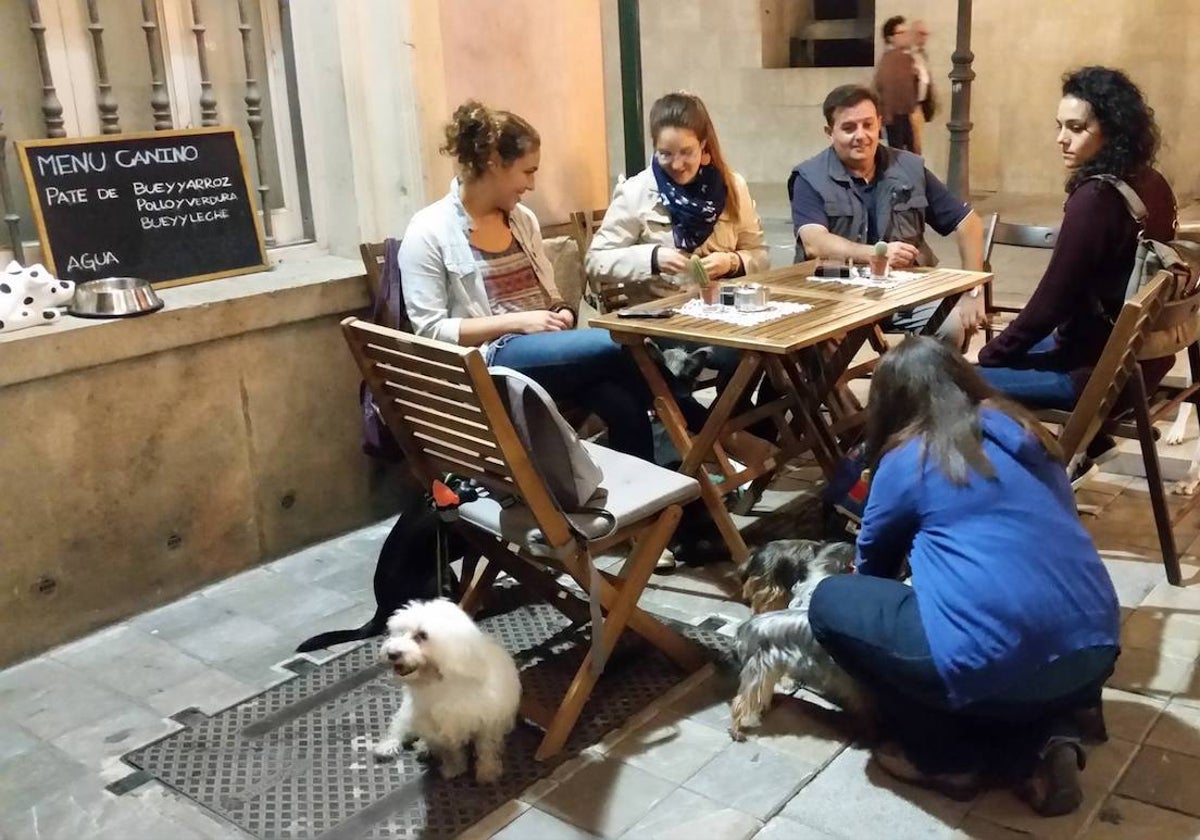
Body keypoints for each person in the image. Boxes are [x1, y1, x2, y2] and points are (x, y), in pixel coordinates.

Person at [809, 335, 1120, 817]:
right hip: (1096, 646)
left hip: (1000, 662)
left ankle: (945, 759)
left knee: (833, 602)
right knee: (1012, 643)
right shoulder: (1026, 429)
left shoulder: (907, 455)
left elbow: (871, 564)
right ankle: (1040, 739)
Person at [400, 100, 663, 463]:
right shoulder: (429, 231)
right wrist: (519, 322)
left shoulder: (522, 220)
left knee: (624, 403)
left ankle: (647, 510)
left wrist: (559, 310)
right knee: (619, 343)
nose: (532, 184)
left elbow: (550, 293)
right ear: (494, 162)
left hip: (545, 352)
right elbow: (429, 331)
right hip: (492, 361)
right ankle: (711, 432)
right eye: (527, 171)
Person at [977, 67, 1177, 438]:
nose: (1061, 139)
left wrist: (990, 356)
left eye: (1076, 128)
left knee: (946, 380)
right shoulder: (1153, 182)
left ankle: (1023, 471)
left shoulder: (1096, 200)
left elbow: (1050, 304)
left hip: (1097, 377)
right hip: (1143, 363)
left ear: (1112, 130)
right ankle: (1084, 453)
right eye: (1060, 126)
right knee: (1011, 349)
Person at [789, 84, 986, 347]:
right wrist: (875, 254)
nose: (861, 135)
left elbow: (968, 222)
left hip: (904, 292)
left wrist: (973, 289)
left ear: (879, 124)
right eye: (849, 128)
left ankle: (917, 387)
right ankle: (835, 389)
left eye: (868, 125)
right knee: (813, 343)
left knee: (949, 326)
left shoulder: (910, 168)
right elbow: (814, 241)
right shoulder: (809, 177)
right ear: (830, 132)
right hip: (834, 294)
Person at [585, 91, 769, 304]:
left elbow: (760, 256)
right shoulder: (636, 192)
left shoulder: (732, 187)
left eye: (686, 152)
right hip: (661, 319)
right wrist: (652, 258)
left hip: (724, 312)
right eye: (666, 154)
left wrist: (732, 262)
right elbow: (595, 260)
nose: (677, 165)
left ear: (702, 144)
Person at [874, 16, 919, 152]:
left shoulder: (905, 57)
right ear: (890, 38)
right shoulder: (891, 59)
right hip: (896, 116)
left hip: (906, 114)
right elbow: (885, 87)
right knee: (900, 155)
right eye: (901, 33)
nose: (905, 36)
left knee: (909, 153)